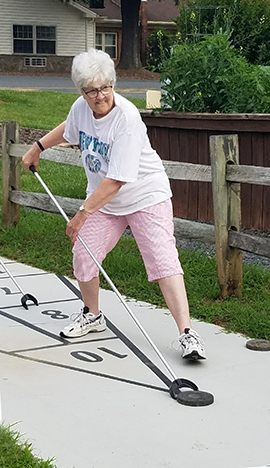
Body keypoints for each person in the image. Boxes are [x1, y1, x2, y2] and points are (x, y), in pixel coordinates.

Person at [22, 48, 206, 360]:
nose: (100, 96)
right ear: (82, 91)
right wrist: (37, 147)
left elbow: (117, 180)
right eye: (91, 90)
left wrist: (81, 214)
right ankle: (92, 315)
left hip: (145, 195)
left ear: (113, 84)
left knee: (162, 260)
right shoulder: (81, 108)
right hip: (105, 202)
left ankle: (187, 334)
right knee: (83, 253)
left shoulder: (127, 118)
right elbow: (68, 130)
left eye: (105, 87)